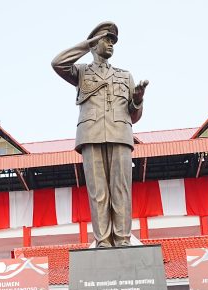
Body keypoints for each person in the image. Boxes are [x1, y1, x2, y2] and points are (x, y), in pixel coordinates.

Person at [51, 22, 148, 247]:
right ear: (95, 43)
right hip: (91, 134)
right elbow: (57, 63)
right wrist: (87, 45)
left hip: (120, 134)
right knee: (98, 192)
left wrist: (138, 99)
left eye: (113, 40)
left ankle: (123, 239)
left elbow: (133, 116)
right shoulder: (82, 72)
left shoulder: (125, 75)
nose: (111, 44)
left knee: (121, 189)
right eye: (106, 39)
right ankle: (103, 241)